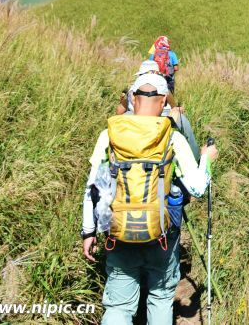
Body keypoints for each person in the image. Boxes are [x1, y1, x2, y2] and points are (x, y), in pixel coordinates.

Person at [81, 73, 218, 325]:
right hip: (162, 237)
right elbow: (197, 188)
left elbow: (94, 188)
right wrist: (207, 158)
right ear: (164, 100)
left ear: (133, 98)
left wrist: (88, 231)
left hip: (119, 234)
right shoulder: (172, 138)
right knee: (160, 298)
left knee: (119, 307)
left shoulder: (108, 135)